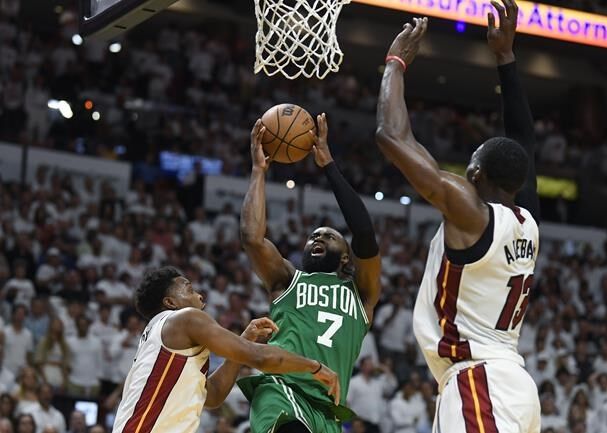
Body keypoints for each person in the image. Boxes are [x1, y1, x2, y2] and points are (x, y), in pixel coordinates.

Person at [375, 1, 541, 432]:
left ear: (475, 175)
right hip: (509, 383)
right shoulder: (528, 220)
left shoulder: (473, 216)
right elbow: (523, 140)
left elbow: (391, 137)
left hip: (480, 380)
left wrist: (395, 62)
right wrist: (505, 59)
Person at [238, 115, 381, 433]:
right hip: (282, 391)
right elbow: (252, 238)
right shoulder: (287, 279)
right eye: (313, 235)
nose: (317, 238)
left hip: (328, 409)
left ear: (346, 256)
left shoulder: (362, 293)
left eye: (328, 236)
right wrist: (258, 172)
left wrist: (329, 164)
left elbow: (365, 234)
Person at [111, 267, 340, 433]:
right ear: (170, 302)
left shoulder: (159, 336)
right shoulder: (185, 318)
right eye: (189, 290)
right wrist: (315, 366)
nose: (199, 295)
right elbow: (259, 357)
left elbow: (212, 395)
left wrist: (244, 338)